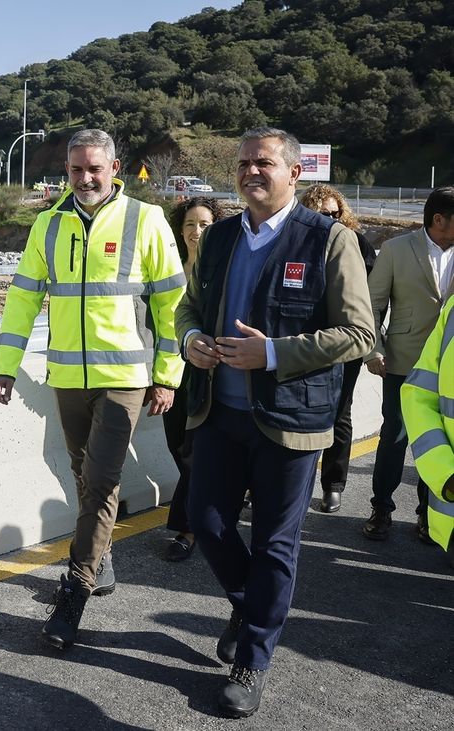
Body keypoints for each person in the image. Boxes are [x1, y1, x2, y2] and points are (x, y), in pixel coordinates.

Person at [175, 127, 373, 718]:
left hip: (291, 421)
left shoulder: (329, 240)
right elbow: (189, 305)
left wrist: (275, 353)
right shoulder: (219, 239)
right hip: (219, 412)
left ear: (294, 174)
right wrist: (190, 340)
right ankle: (251, 602)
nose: (249, 172)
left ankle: (252, 660)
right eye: (242, 163)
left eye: (263, 162)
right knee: (206, 522)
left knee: (275, 543)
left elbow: (359, 333)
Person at [0, 128, 184, 650]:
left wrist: (169, 373)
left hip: (124, 376)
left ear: (115, 169)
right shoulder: (47, 225)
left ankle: (75, 589)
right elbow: (23, 300)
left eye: (95, 169)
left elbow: (172, 305)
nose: (85, 178)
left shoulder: (147, 220)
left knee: (100, 479)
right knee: (82, 472)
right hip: (68, 376)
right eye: (76, 169)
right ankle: (102, 552)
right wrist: (5, 366)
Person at [367, 186, 454, 541]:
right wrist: (373, 350)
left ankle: (427, 514)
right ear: (439, 219)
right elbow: (371, 306)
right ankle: (381, 508)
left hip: (447, 370)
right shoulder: (396, 249)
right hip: (402, 361)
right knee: (395, 436)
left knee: (439, 444)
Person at [299, 184, 377, 513]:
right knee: (299, 418)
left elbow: (372, 301)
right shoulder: (296, 242)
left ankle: (333, 485)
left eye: (334, 214)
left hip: (345, 345)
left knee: (339, 415)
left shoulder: (356, 243)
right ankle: (293, 487)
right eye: (321, 215)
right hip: (302, 345)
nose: (330, 220)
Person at [161, 197, 222, 561]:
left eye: (204, 224)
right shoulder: (168, 267)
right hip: (170, 371)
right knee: (176, 446)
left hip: (208, 370)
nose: (197, 231)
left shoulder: (223, 266)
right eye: (190, 224)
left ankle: (187, 528)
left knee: (193, 454)